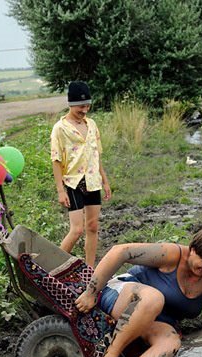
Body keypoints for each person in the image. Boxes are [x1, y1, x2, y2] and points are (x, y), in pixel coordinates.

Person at [74, 229, 202, 357]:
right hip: (124, 297)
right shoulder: (173, 254)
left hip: (155, 319)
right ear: (192, 250)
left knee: (171, 342)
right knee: (154, 298)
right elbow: (120, 251)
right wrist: (91, 292)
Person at [50, 81, 111, 268]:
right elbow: (56, 159)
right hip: (73, 183)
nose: (84, 110)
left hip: (93, 181)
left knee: (92, 227)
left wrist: (105, 182)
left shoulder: (92, 125)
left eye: (87, 106)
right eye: (80, 106)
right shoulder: (60, 128)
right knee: (76, 230)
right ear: (70, 104)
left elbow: (96, 155)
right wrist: (60, 190)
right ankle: (53, 266)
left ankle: (90, 270)